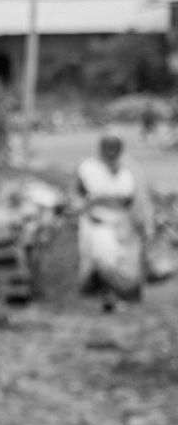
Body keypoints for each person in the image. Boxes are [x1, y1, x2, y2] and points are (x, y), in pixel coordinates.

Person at [75, 133, 151, 311]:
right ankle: (107, 295)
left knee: (128, 264)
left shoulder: (130, 169)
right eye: (107, 148)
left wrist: (143, 224)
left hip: (125, 224)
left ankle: (127, 296)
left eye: (114, 148)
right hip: (98, 221)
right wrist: (89, 208)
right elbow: (79, 197)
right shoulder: (89, 168)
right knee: (104, 260)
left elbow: (138, 200)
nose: (111, 152)